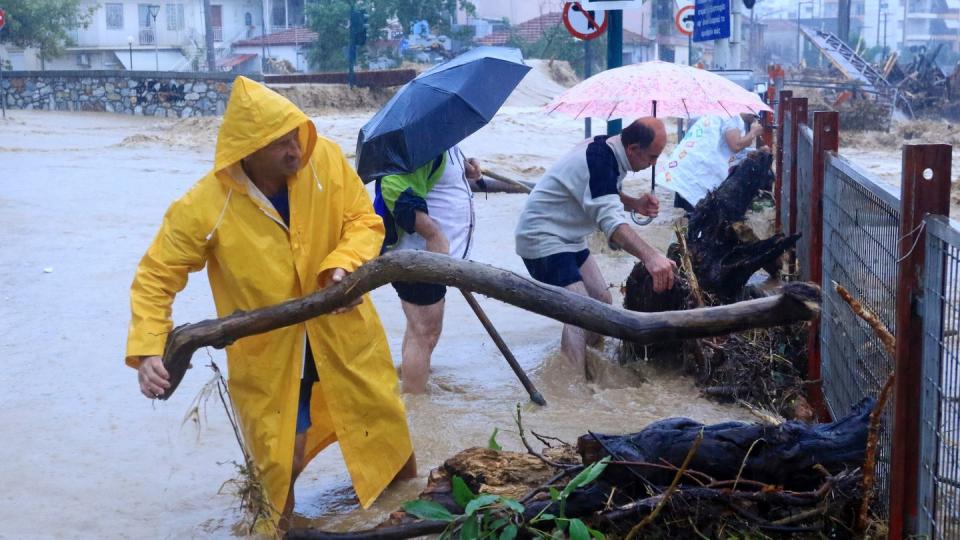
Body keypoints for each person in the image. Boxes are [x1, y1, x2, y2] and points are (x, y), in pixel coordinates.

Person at [125, 77, 415, 532]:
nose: (294, 150)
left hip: (343, 330)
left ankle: (406, 515)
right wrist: (147, 348)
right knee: (282, 454)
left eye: (295, 135)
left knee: (385, 430)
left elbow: (364, 220)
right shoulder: (207, 204)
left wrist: (343, 267)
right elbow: (156, 275)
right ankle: (274, 523)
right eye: (279, 143)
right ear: (247, 150)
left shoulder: (325, 161)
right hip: (271, 351)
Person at [515, 118, 677, 373]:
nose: (654, 164)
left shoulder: (608, 147)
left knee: (601, 300)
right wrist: (651, 256)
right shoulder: (600, 161)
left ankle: (585, 363)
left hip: (569, 238)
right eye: (652, 157)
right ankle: (573, 389)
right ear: (633, 149)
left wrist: (634, 203)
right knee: (578, 310)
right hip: (541, 237)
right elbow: (612, 226)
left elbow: (600, 191)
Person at [373, 145, 482, 393]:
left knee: (422, 330)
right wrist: (432, 233)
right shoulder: (419, 145)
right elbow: (394, 187)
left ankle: (409, 388)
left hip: (435, 257)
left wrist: (466, 167)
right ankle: (416, 406)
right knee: (425, 332)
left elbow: (436, 176)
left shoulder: (443, 141)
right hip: (418, 257)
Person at [664, 112, 765, 212]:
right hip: (700, 171)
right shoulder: (732, 117)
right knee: (701, 214)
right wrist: (753, 132)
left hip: (691, 167)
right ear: (749, 112)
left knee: (696, 214)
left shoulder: (719, 114)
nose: (755, 119)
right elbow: (736, 145)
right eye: (756, 115)